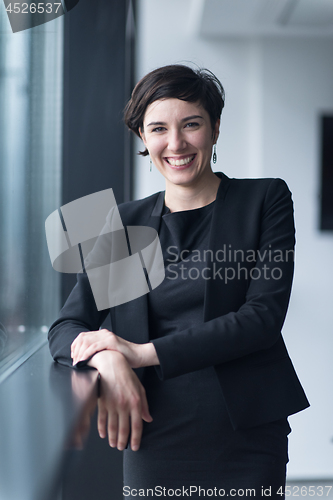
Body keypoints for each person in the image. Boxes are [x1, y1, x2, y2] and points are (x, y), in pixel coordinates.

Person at [48, 64, 309, 499]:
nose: (176, 143)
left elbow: (262, 318)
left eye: (191, 124)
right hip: (152, 431)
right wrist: (109, 362)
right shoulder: (126, 223)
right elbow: (66, 328)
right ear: (143, 140)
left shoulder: (264, 200)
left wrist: (138, 353)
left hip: (245, 435)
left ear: (215, 128)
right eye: (158, 129)